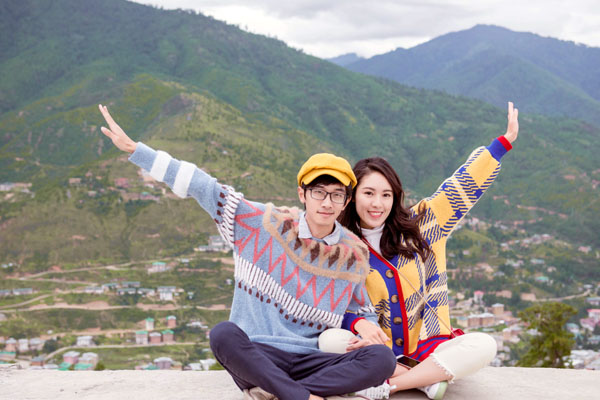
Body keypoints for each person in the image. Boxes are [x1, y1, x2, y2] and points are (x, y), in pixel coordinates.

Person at [97, 104, 396, 400]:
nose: (326, 202)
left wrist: (365, 325)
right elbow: (205, 186)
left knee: (383, 360)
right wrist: (136, 150)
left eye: (336, 194)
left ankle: (281, 392)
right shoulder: (262, 223)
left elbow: (358, 309)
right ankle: (303, 397)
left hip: (310, 358)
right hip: (259, 353)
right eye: (318, 191)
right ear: (302, 194)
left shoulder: (353, 252)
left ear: (345, 202)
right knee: (223, 335)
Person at [320, 102, 520, 400]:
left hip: (430, 346)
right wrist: (359, 327)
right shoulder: (340, 246)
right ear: (352, 197)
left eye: (386, 195)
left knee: (484, 345)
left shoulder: (423, 225)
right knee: (329, 340)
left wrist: (502, 144)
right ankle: (425, 381)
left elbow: (460, 186)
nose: (378, 204)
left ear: (395, 196)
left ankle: (391, 384)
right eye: (369, 193)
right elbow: (336, 305)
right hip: (376, 350)